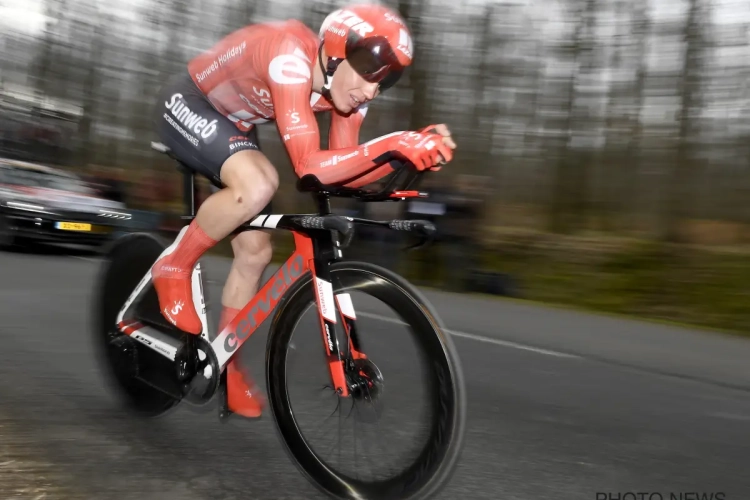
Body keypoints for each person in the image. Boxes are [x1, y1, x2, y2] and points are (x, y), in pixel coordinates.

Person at [151, 3, 456, 419]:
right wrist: (393, 144)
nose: (373, 89)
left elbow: (342, 171)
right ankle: (173, 265)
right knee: (259, 183)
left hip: (235, 126)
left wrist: (407, 159)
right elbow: (309, 165)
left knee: (256, 252)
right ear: (334, 52)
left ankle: (226, 366)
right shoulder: (289, 56)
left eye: (387, 80)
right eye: (371, 69)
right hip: (190, 101)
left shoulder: (347, 96)